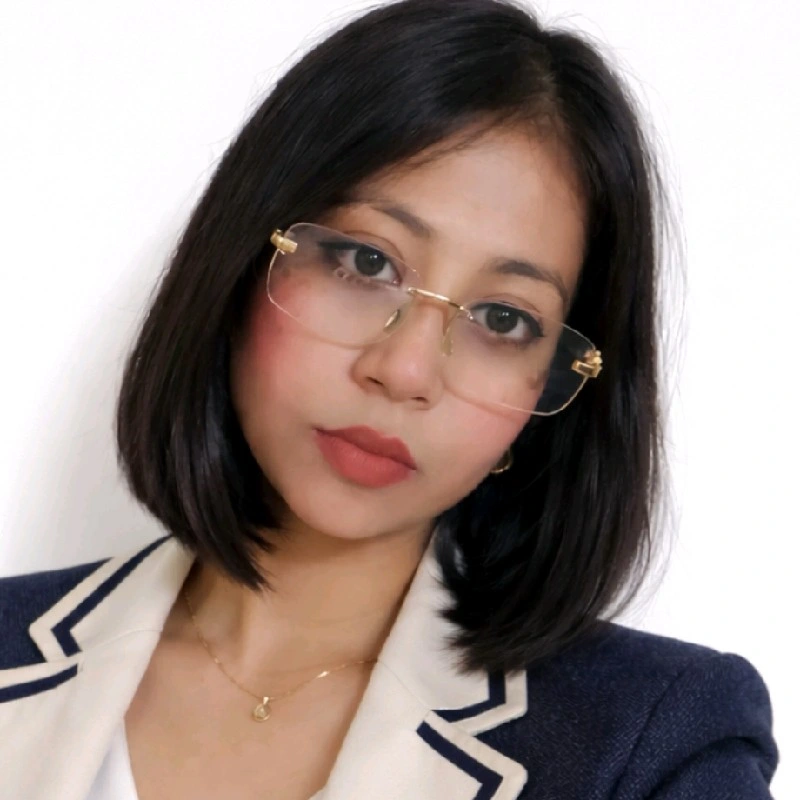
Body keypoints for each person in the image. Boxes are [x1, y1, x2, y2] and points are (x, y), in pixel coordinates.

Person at [0, 0, 779, 797]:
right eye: (367, 264)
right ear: (243, 260)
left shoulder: (653, 749)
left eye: (502, 320)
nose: (405, 370)